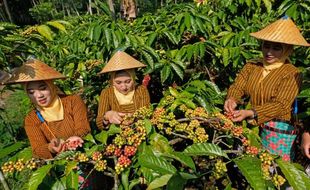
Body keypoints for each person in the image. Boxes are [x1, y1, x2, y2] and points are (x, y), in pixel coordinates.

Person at [224, 16, 309, 161]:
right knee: (245, 166)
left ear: (288, 50)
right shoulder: (252, 66)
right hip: (248, 128)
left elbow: (281, 105)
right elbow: (238, 86)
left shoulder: (292, 73)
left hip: (274, 132)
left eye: (276, 48)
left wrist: (252, 112)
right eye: (266, 46)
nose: (269, 52)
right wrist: (232, 99)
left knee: (271, 171)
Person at [5, 59, 91, 159]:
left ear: (51, 86)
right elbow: (37, 149)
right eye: (31, 92)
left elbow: (83, 128)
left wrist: (75, 139)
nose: (39, 95)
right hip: (63, 165)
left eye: (42, 88)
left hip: (87, 155)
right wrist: (50, 148)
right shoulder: (31, 119)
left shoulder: (73, 101)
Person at [96, 51, 150, 129]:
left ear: (133, 78)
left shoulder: (141, 90)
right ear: (112, 82)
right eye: (118, 82)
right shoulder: (107, 93)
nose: (124, 87)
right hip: (116, 137)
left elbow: (145, 115)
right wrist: (106, 116)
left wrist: (134, 118)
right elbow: (99, 123)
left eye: (128, 81)